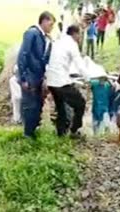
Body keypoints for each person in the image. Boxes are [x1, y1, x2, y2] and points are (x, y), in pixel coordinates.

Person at [45, 25, 90, 138]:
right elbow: (79, 63)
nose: (80, 37)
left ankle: (61, 133)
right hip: (61, 82)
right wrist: (87, 78)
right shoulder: (72, 44)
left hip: (51, 81)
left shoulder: (59, 41)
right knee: (80, 103)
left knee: (61, 108)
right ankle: (74, 130)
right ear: (75, 34)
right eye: (80, 34)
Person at [17, 11, 55, 139]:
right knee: (30, 105)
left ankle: (33, 131)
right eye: (50, 24)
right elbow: (23, 55)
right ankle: (28, 134)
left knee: (37, 104)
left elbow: (42, 58)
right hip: (30, 76)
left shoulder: (43, 37)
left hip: (37, 76)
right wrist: (23, 78)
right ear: (43, 21)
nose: (51, 27)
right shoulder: (32, 33)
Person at [89, 69, 114, 135]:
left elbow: (113, 89)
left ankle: (107, 135)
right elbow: (87, 83)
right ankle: (96, 136)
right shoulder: (94, 83)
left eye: (104, 79)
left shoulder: (108, 85)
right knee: (96, 123)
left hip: (105, 108)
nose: (102, 80)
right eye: (101, 78)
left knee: (106, 123)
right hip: (96, 107)